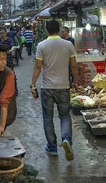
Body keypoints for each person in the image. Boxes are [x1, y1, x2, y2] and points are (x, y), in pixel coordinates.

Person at [31, 20, 78, 161]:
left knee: (48, 118)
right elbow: (74, 66)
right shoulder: (68, 44)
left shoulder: (41, 45)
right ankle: (67, 140)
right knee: (64, 116)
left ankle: (52, 147)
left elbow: (38, 67)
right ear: (59, 30)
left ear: (46, 31)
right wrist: (75, 81)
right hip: (63, 87)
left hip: (47, 88)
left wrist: (32, 84)